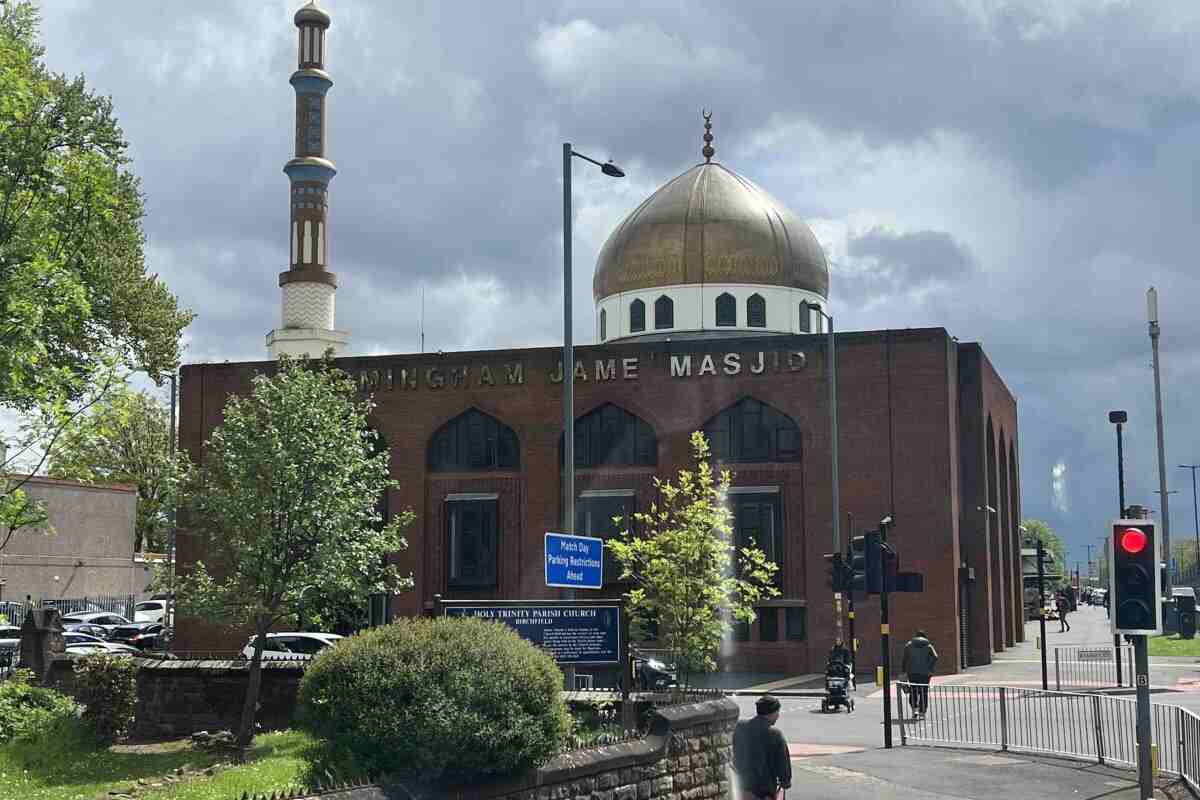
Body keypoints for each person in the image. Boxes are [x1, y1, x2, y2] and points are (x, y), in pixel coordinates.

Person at [733, 695, 792, 800]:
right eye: (777, 712)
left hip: (741, 789)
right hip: (763, 791)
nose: (778, 716)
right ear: (772, 713)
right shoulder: (775, 734)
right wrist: (785, 782)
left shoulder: (740, 727)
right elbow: (783, 764)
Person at [902, 630, 938, 719]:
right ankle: (922, 712)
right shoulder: (928, 645)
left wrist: (903, 671)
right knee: (923, 692)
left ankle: (915, 709)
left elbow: (904, 659)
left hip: (912, 672)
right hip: (925, 674)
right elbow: (935, 657)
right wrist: (929, 666)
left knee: (913, 691)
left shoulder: (909, 645)